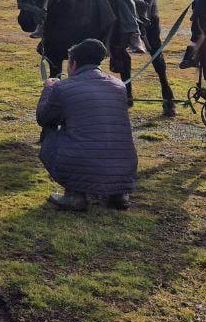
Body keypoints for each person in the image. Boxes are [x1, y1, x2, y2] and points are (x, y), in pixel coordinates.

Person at [36, 38, 137, 212]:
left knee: (50, 135)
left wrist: (48, 89)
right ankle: (118, 194)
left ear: (73, 63)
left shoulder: (63, 88)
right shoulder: (120, 86)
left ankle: (75, 194)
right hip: (124, 168)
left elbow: (44, 118)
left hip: (79, 160)